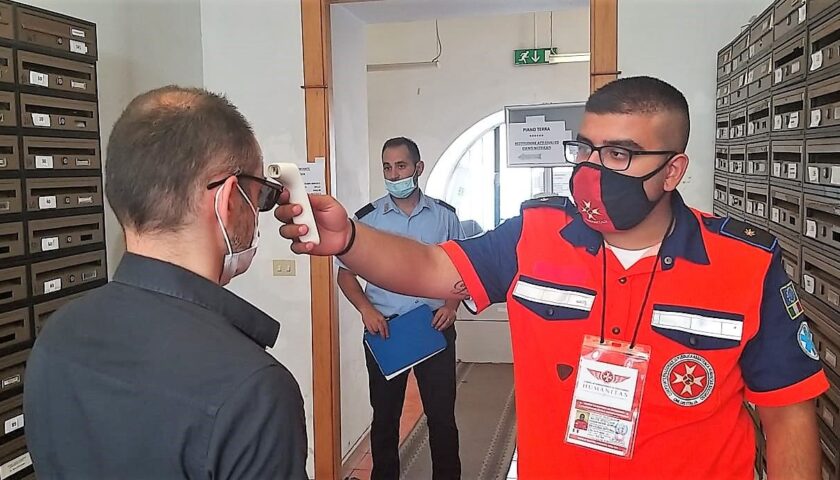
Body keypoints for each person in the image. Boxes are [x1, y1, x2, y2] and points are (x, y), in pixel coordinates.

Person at [276, 76, 828, 479]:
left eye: (618, 154)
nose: (590, 170)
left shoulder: (746, 263)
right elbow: (431, 268)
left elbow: (788, 416)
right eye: (585, 148)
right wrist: (349, 238)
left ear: (673, 170)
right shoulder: (536, 233)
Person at [24, 86, 308, 479]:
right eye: (260, 198)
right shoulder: (253, 389)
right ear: (227, 200)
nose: (258, 214)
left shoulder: (58, 335)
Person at [338, 137, 464, 480]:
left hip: (433, 327)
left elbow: (462, 271)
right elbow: (345, 276)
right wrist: (366, 310)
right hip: (386, 330)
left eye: (401, 166)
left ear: (418, 169)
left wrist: (451, 307)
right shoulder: (366, 220)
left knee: (441, 417)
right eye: (387, 168)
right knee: (385, 418)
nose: (394, 175)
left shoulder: (445, 217)